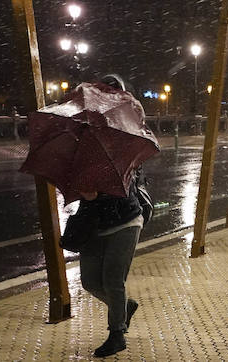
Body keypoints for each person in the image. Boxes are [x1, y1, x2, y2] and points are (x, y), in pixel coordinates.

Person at [72, 74, 148, 357]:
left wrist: (98, 192)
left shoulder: (131, 138)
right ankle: (124, 308)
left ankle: (117, 335)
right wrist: (83, 190)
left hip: (125, 220)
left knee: (113, 282)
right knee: (91, 282)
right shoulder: (83, 136)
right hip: (93, 222)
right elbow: (79, 180)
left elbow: (128, 182)